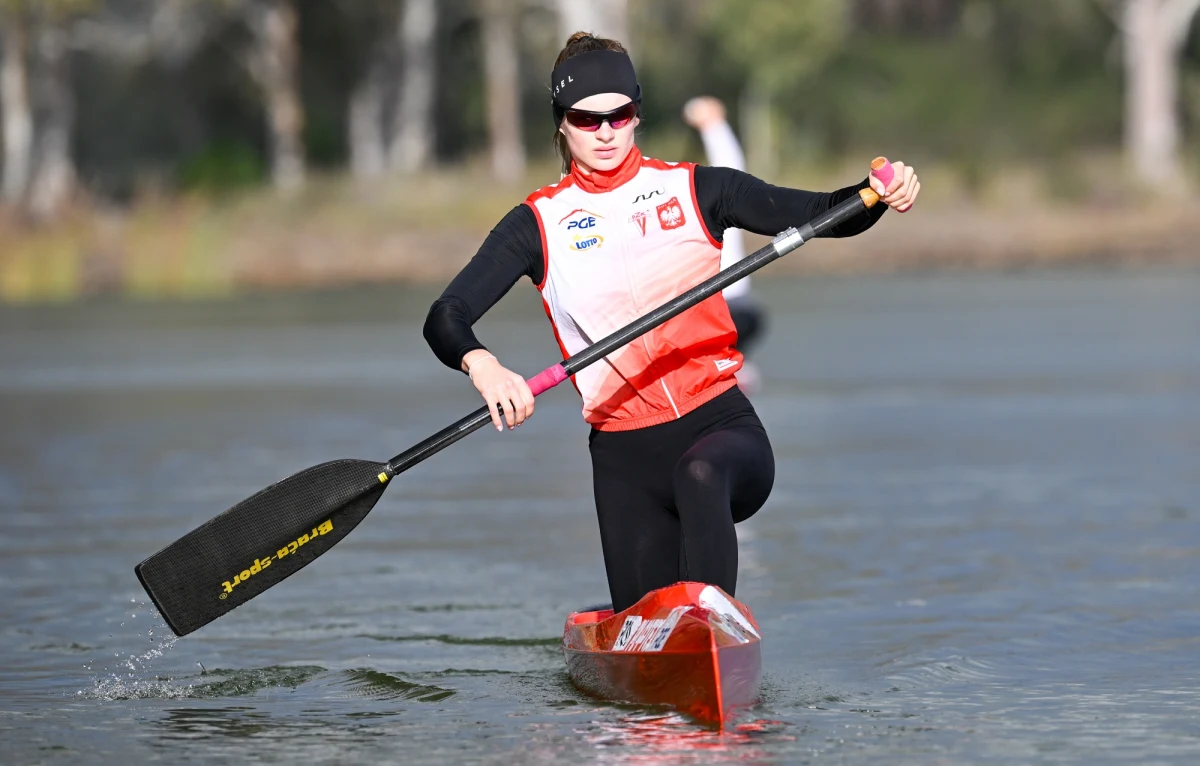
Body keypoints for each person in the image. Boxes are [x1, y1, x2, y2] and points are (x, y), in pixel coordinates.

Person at [423, 32, 920, 613]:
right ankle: (664, 641)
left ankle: (711, 624)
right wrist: (482, 365)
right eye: (586, 119)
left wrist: (875, 194)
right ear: (561, 123)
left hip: (720, 429)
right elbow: (446, 315)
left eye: (619, 115)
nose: (605, 132)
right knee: (643, 624)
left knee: (700, 472)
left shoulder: (698, 189)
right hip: (625, 461)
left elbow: (820, 213)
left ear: (637, 114)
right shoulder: (535, 225)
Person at [682, 95, 764, 393]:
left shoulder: (716, 210)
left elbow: (732, 171)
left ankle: (730, 371)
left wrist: (714, 126)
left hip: (732, 311)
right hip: (724, 315)